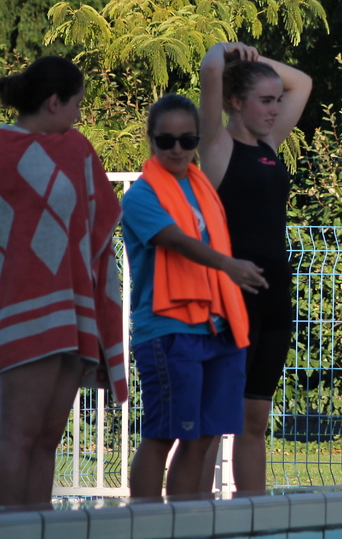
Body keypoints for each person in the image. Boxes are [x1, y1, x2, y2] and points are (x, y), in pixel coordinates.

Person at [121, 94, 268, 498]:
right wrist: (229, 265)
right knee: (163, 435)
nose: (177, 149)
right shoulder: (140, 196)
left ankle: (186, 520)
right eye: (165, 140)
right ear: (151, 140)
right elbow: (177, 241)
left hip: (217, 327)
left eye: (187, 140)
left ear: (198, 140)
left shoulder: (203, 186)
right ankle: (145, 521)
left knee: (203, 438)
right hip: (168, 330)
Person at [0, 56, 127, 507]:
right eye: (76, 104)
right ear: (54, 101)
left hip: (73, 310)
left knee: (47, 437)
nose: (78, 114)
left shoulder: (77, 150)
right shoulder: (3, 150)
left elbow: (98, 223)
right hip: (18, 308)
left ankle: (37, 526)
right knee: (17, 434)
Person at [197, 42, 312, 492]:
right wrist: (227, 51)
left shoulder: (268, 143)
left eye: (276, 101)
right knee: (211, 420)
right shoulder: (217, 146)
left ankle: (252, 516)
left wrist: (257, 60)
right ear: (235, 102)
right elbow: (210, 68)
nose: (275, 109)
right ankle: (192, 514)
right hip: (230, 295)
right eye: (266, 100)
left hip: (274, 295)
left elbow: (302, 82)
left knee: (255, 418)